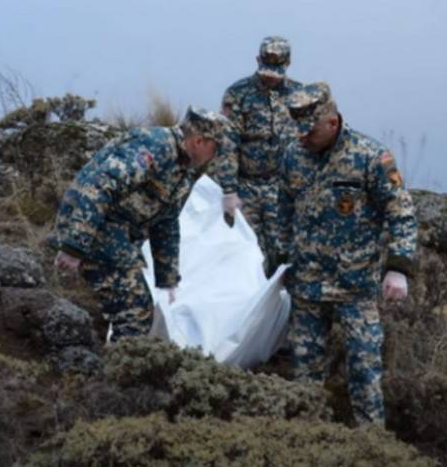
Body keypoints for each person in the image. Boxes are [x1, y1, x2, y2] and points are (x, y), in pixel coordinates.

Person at [276, 82, 418, 426]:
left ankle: (372, 448)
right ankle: (305, 444)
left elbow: (400, 212)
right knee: (305, 376)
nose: (301, 138)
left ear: (332, 122)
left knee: (364, 373)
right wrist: (278, 259)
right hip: (307, 287)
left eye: (308, 130)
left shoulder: (370, 156)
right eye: (296, 130)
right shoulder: (293, 155)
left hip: (355, 287)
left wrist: (398, 268)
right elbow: (283, 208)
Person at [52, 106, 229, 341]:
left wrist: (168, 279)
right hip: (94, 225)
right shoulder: (154, 147)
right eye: (214, 148)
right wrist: (74, 246)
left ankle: (117, 365)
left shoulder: (181, 169)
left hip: (115, 232)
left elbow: (166, 223)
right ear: (198, 141)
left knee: (137, 308)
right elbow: (100, 185)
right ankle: (119, 373)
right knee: (135, 310)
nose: (214, 156)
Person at [210, 36, 303, 265]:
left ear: (288, 64)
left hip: (283, 189)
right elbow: (228, 143)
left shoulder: (299, 95)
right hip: (246, 188)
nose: (270, 79)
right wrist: (229, 190)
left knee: (285, 252)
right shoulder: (238, 93)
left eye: (276, 72)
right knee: (247, 252)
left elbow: (308, 143)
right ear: (257, 60)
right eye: (266, 71)